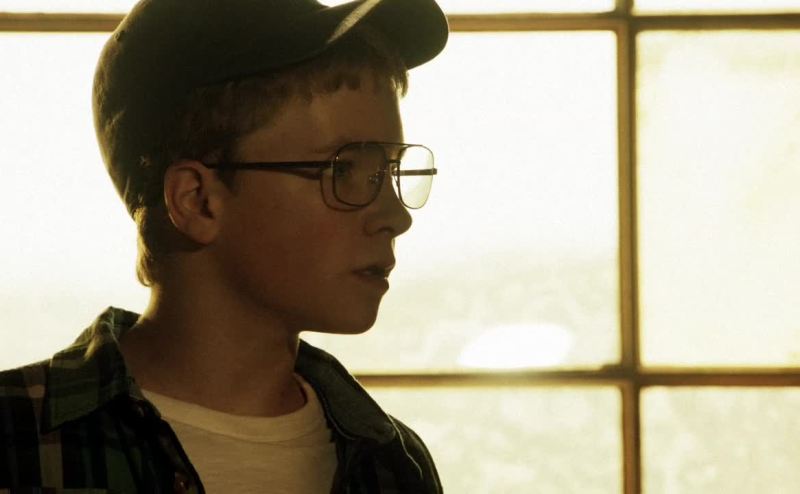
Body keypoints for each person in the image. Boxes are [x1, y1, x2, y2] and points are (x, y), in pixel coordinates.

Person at [0, 0, 448, 491]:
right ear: (197, 201)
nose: (396, 217)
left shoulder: (395, 464)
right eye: (344, 171)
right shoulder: (17, 443)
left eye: (389, 172)